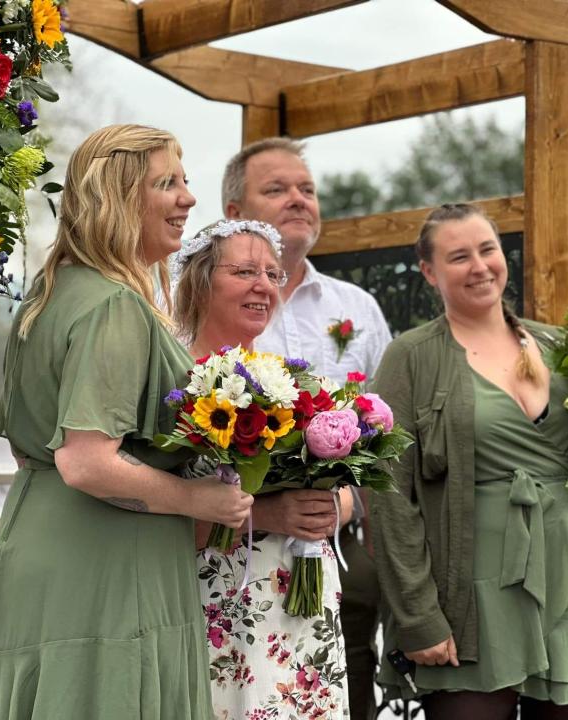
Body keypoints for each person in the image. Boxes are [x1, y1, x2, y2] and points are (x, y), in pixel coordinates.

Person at [0, 125, 253, 720]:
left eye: (185, 181)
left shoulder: (50, 293)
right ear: (119, 198)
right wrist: (197, 499)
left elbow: (33, 452)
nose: (188, 199)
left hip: (41, 539)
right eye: (166, 183)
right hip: (107, 566)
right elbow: (85, 459)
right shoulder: (113, 305)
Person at [370, 203, 568, 720]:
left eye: (488, 249)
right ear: (429, 272)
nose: (479, 266)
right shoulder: (411, 357)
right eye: (459, 256)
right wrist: (418, 617)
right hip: (470, 600)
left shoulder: (564, 348)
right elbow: (389, 494)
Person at [222, 137, 392, 720]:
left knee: (345, 694)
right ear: (233, 214)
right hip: (229, 551)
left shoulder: (358, 308)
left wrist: (344, 504)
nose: (298, 199)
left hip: (340, 550)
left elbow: (384, 435)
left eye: (307, 189)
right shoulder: (202, 303)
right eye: (276, 189)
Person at [172, 218, 353, 719]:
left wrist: (330, 506)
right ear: (200, 281)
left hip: (302, 614)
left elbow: (348, 491)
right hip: (221, 608)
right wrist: (267, 515)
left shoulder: (290, 382)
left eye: (273, 275)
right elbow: (149, 517)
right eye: (245, 271)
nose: (264, 287)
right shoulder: (174, 384)